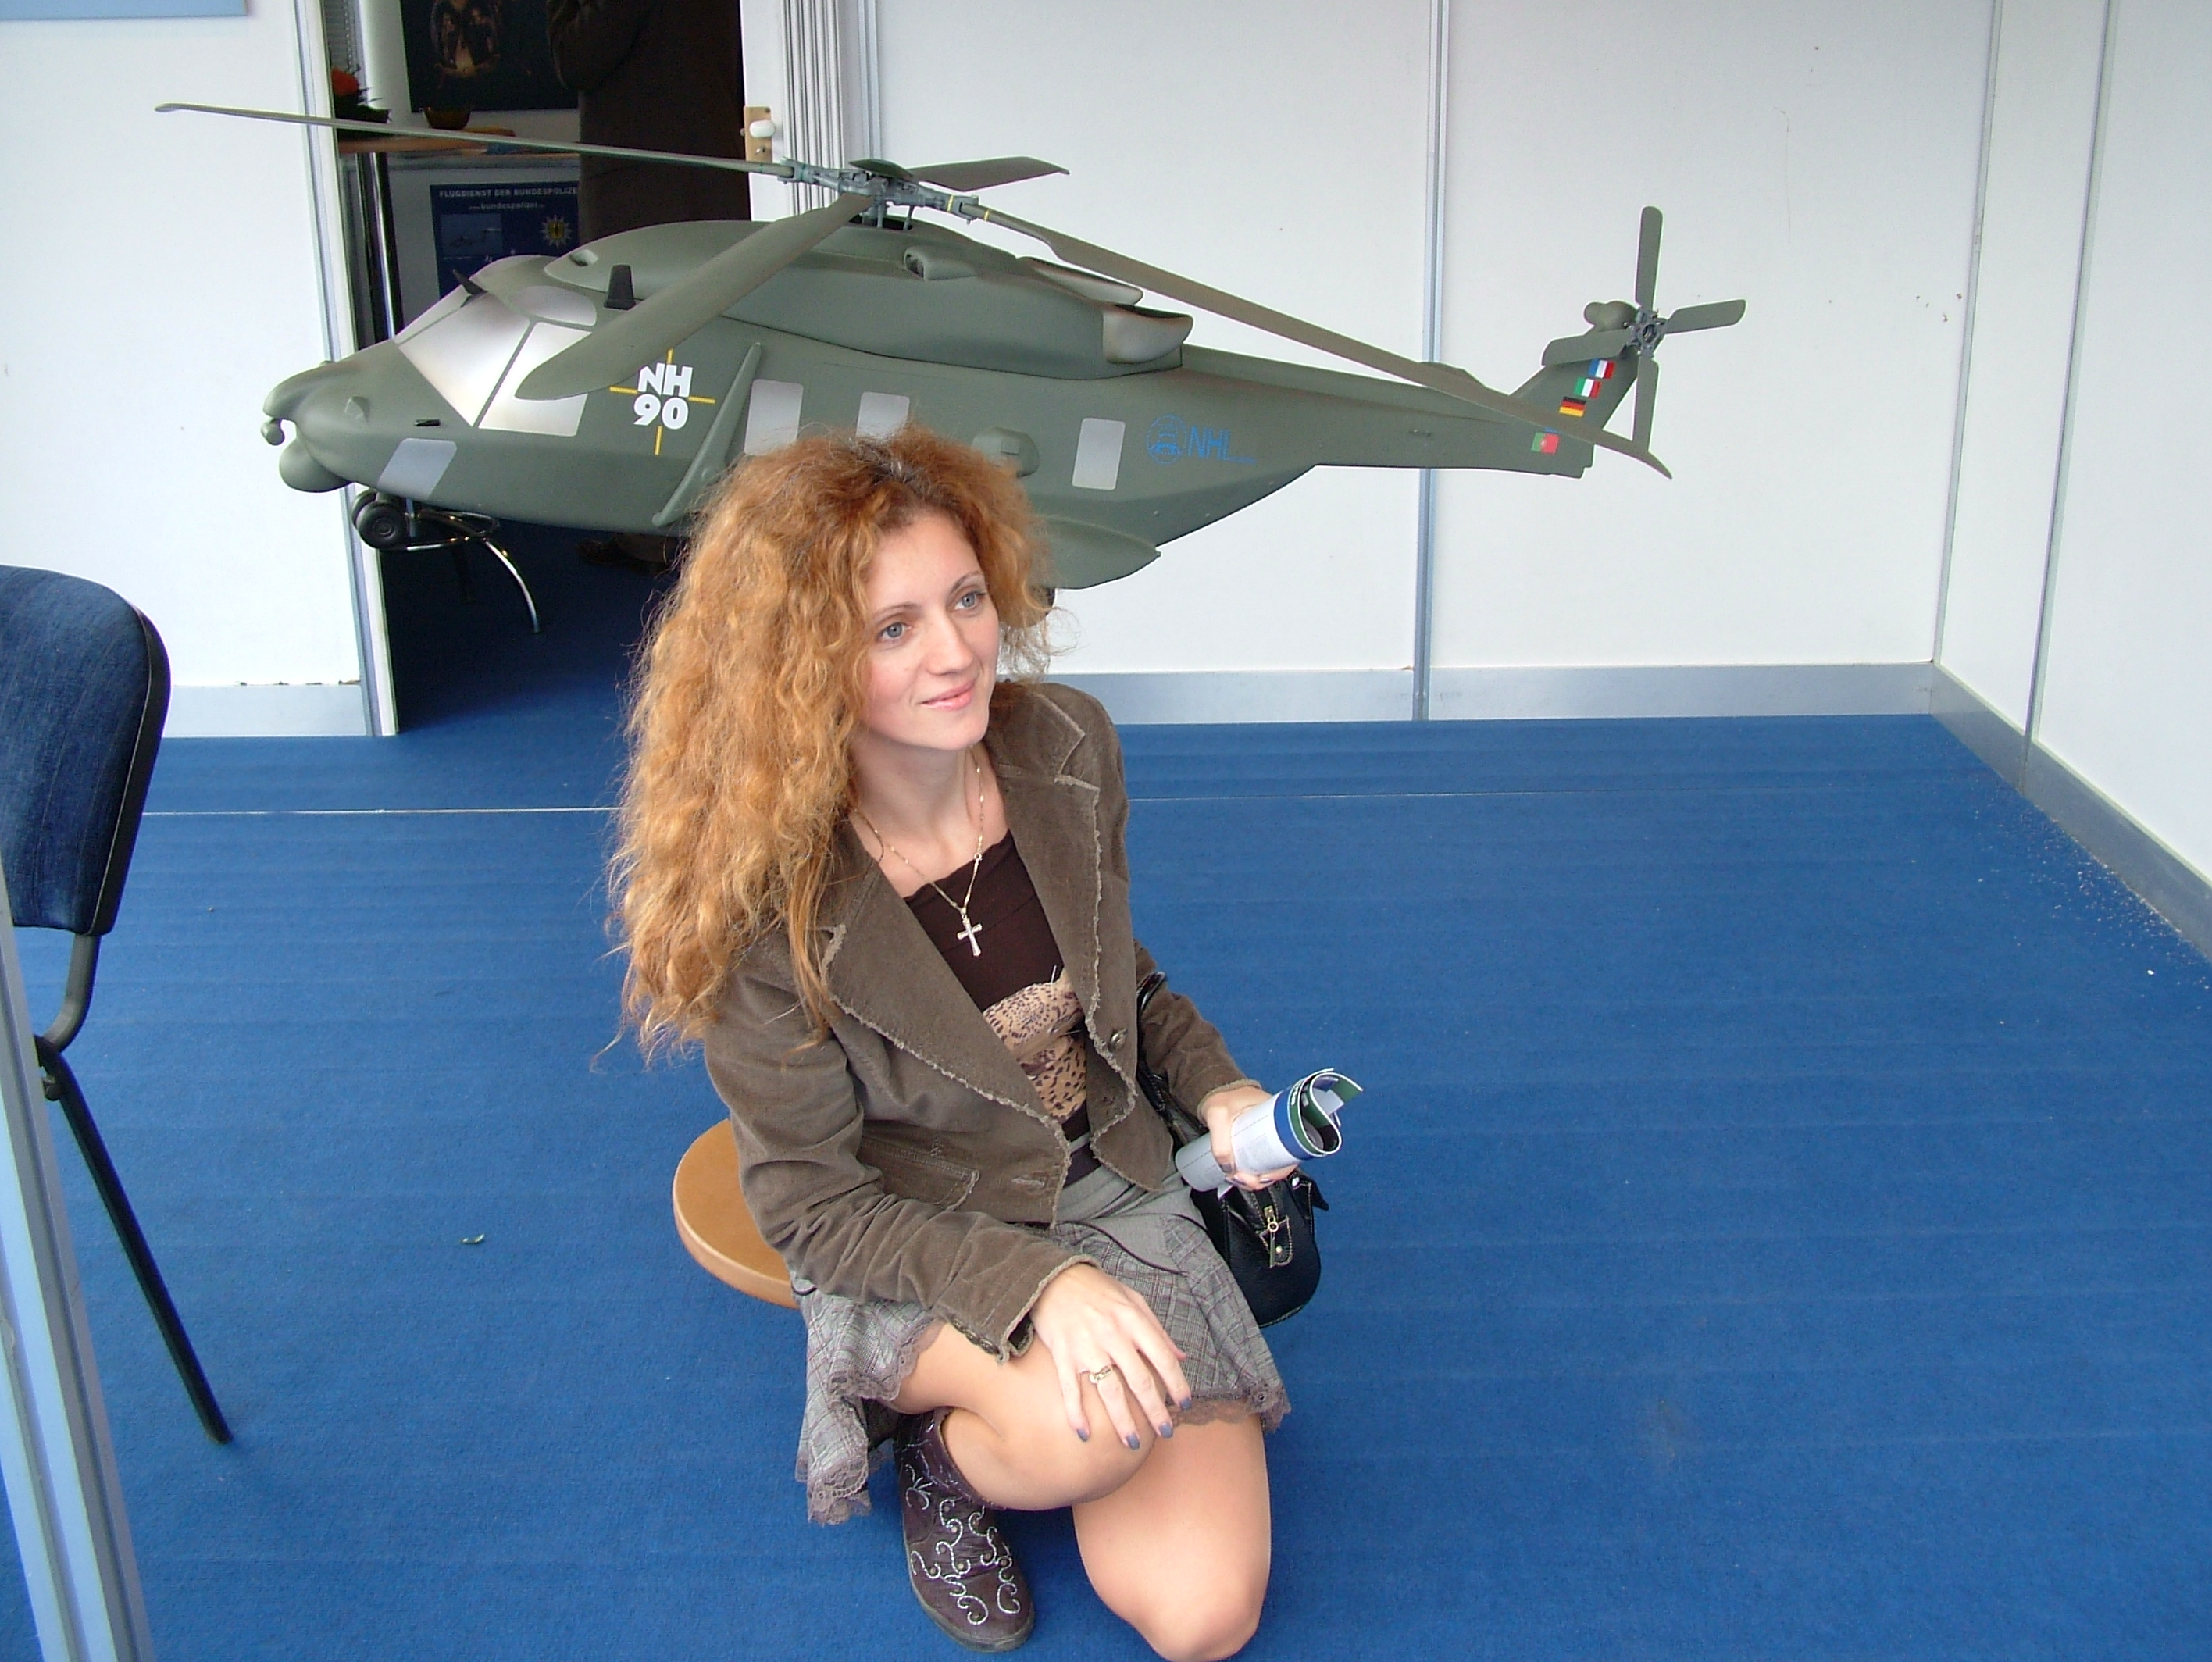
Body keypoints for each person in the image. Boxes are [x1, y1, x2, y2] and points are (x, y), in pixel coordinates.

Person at [611, 427, 1293, 1660]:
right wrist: (1041, 1286)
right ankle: (948, 1463)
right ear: (802, 666)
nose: (957, 650)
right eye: (893, 628)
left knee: (1203, 1617)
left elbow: (1124, 982)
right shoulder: (759, 898)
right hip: (916, 1228)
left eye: (967, 598)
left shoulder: (1066, 747)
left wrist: (1222, 1091)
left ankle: (1036, 1407)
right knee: (1090, 1431)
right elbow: (816, 1211)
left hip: (1106, 1182)